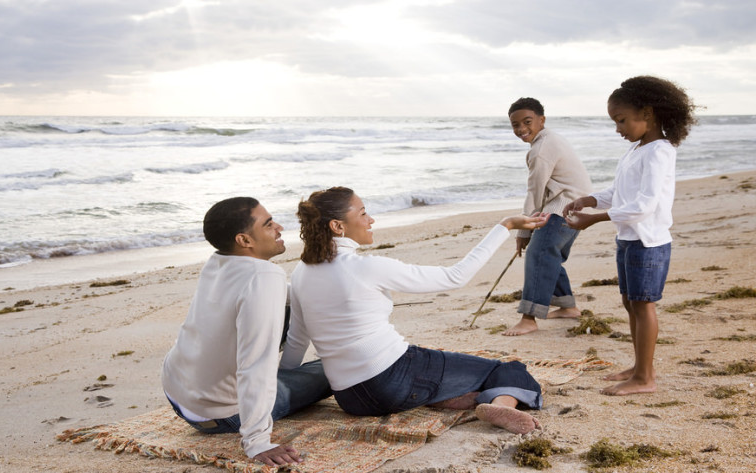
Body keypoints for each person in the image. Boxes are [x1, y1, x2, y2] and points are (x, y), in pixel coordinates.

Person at [280, 186, 549, 435]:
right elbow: (455, 276)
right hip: (393, 380)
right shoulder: (367, 267)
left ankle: (457, 396)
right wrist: (505, 226)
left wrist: (282, 385)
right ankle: (504, 404)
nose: (370, 220)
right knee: (507, 370)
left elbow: (297, 339)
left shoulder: (302, 272)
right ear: (338, 226)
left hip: (350, 398)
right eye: (363, 213)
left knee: (440, 370)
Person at [161, 197, 332, 466]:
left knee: (292, 308)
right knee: (341, 366)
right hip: (220, 414)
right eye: (268, 225)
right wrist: (257, 442)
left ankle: (284, 378)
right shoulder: (265, 277)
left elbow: (276, 298)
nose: (279, 227)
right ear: (244, 240)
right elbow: (255, 364)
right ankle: (272, 400)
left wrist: (307, 294)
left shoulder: (219, 260)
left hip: (178, 392)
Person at [563, 76, 698, 396]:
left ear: (647, 113)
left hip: (648, 241)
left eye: (621, 120)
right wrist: (590, 199)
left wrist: (593, 220)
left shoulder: (659, 151)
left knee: (643, 305)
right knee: (630, 302)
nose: (618, 128)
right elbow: (619, 192)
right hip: (628, 238)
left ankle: (645, 378)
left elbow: (644, 205)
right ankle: (639, 367)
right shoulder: (638, 150)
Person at [503, 97, 594, 336]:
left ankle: (529, 319)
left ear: (542, 120)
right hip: (574, 206)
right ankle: (567, 307)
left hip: (564, 207)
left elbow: (535, 192)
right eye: (515, 125)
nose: (521, 129)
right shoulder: (548, 140)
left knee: (539, 253)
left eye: (527, 122)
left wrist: (524, 230)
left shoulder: (542, 149)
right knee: (549, 255)